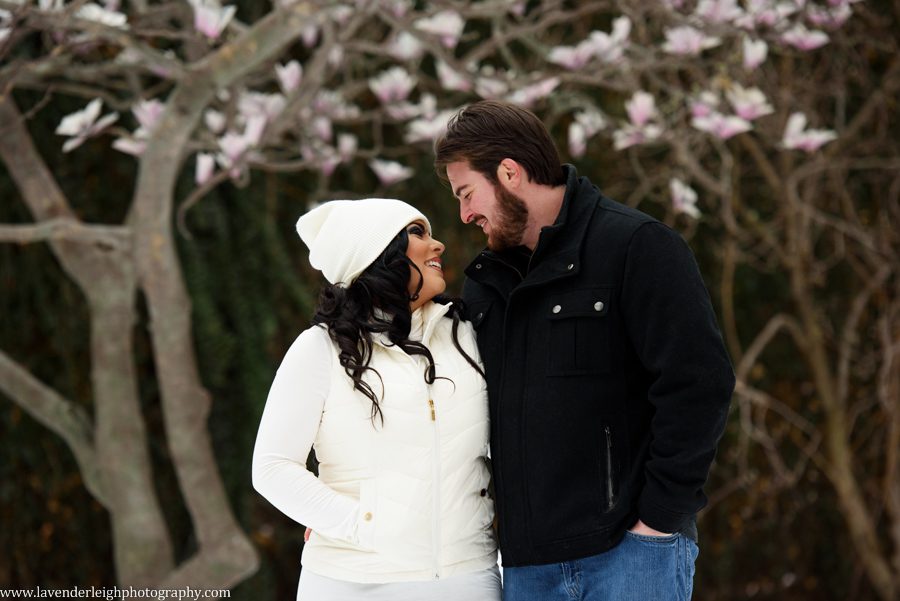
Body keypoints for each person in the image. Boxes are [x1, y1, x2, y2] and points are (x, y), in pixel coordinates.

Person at [433, 100, 736, 601]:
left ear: (509, 173)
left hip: (630, 554)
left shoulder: (637, 247)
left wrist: (657, 520)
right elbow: (448, 407)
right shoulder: (485, 286)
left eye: (466, 193)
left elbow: (699, 386)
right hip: (528, 568)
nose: (464, 215)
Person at [251, 198, 500, 601]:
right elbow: (273, 467)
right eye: (418, 233)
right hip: (353, 581)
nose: (438, 245)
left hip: (466, 576)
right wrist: (359, 525)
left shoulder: (467, 337)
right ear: (376, 253)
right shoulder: (322, 349)